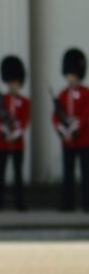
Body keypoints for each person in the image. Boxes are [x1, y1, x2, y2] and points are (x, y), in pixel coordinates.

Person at [0, 55, 30, 211]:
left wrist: (16, 132)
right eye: (11, 82)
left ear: (19, 83)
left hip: (17, 142)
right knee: (0, 173)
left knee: (18, 174)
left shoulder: (25, 101)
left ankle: (19, 203)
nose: (13, 85)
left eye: (16, 82)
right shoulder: (1, 100)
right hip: (2, 141)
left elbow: (25, 119)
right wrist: (3, 129)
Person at [52, 47, 89, 211]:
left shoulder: (86, 93)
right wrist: (63, 130)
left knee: (86, 174)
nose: (71, 78)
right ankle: (67, 203)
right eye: (69, 74)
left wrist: (74, 127)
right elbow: (55, 116)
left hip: (84, 139)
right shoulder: (62, 94)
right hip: (68, 141)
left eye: (73, 74)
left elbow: (86, 115)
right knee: (68, 174)